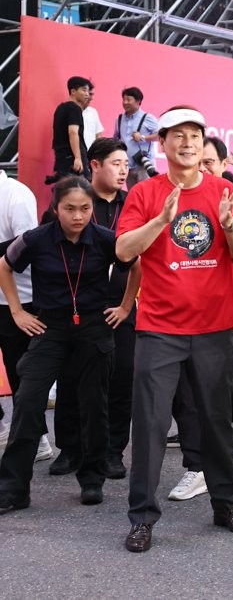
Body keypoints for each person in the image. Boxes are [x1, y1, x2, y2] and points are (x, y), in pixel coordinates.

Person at [116, 106, 233, 552]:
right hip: (158, 328)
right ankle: (142, 518)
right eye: (177, 135)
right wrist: (160, 220)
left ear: (203, 143)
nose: (187, 142)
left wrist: (230, 224)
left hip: (214, 328)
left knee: (216, 421)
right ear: (163, 144)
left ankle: (226, 504)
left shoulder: (223, 190)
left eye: (195, 134)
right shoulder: (144, 193)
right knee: (152, 424)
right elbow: (122, 251)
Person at [0, 177, 138, 512]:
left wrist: (125, 306)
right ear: (56, 208)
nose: (78, 216)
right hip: (50, 328)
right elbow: (4, 265)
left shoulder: (106, 239)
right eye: (70, 209)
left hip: (94, 328)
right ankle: (13, 489)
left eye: (85, 208)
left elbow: (136, 265)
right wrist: (17, 311)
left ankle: (91, 479)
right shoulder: (35, 239)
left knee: (94, 405)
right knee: (28, 401)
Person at [49, 139, 137, 479]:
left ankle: (113, 451)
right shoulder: (76, 202)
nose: (123, 169)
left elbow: (143, 257)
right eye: (115, 163)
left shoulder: (134, 205)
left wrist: (129, 305)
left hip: (121, 310)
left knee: (121, 380)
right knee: (71, 380)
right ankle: (69, 449)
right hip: (79, 310)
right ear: (95, 165)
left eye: (126, 163)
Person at [0, 170, 38, 453]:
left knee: (20, 370)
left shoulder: (16, 194)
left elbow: (25, 248)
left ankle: (37, 439)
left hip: (20, 299)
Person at [113, 87, 159, 188]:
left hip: (143, 165)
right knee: (132, 195)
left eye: (128, 99)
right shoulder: (119, 119)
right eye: (123, 99)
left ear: (138, 101)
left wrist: (143, 137)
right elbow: (115, 138)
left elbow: (160, 136)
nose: (125, 102)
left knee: (146, 195)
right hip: (126, 165)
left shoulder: (148, 118)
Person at [52, 76, 93, 180]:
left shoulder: (60, 108)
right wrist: (78, 158)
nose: (87, 94)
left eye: (88, 91)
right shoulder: (74, 108)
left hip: (61, 158)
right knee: (80, 190)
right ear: (73, 91)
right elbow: (73, 132)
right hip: (71, 159)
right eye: (84, 90)